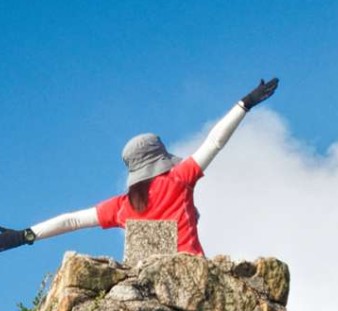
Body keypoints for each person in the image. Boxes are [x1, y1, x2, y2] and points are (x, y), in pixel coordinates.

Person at [0, 78, 279, 257]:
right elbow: (215, 141)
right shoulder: (178, 180)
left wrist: (25, 236)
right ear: (161, 159)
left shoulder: (123, 206)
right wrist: (245, 104)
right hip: (190, 273)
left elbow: (72, 220)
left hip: (147, 286)